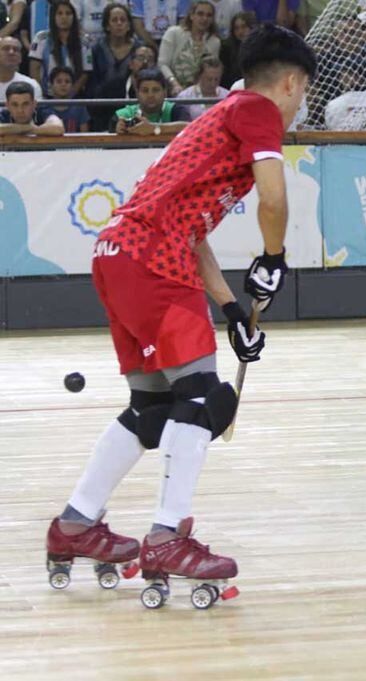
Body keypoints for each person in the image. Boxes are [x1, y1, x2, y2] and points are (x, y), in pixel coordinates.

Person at [45, 24, 316, 605]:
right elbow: (274, 197)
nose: (300, 106)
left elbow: (192, 234)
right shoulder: (258, 110)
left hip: (119, 253)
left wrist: (231, 309)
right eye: (304, 94)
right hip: (151, 262)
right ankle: (167, 535)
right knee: (205, 398)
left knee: (151, 409)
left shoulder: (219, 118)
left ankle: (75, 523)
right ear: (290, 83)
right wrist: (273, 257)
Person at [28, 0, 91, 96]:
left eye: (68, 13)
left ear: (74, 17)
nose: (64, 17)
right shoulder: (41, 39)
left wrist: (71, 94)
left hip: (75, 98)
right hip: (46, 96)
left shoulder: (84, 42)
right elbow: (34, 68)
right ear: (53, 16)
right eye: (60, 13)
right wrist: (40, 93)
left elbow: (85, 73)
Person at [158, 0, 220, 94]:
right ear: (191, 16)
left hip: (200, 93)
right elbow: (162, 64)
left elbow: (212, 71)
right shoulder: (174, 33)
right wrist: (174, 84)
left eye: (209, 15)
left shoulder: (215, 42)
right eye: (200, 14)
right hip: (172, 89)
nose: (204, 18)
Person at [111, 68, 190, 133]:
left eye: (156, 90)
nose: (150, 95)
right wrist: (117, 131)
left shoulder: (176, 110)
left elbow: (189, 128)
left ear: (165, 92)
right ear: (137, 93)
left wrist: (154, 128)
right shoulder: (123, 115)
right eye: (145, 91)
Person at [177, 55, 228, 119]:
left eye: (216, 79)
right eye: (209, 79)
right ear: (199, 76)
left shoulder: (227, 96)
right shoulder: (184, 97)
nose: (213, 84)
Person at [0, 35, 42, 103]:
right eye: (6, 48)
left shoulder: (31, 85)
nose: (11, 52)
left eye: (16, 50)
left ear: (20, 58)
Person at [218, 9, 254, 87]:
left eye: (243, 27)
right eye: (236, 28)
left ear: (251, 27)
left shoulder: (259, 48)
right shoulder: (226, 49)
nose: (240, 31)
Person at [47, 64, 89, 130]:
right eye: (59, 81)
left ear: (72, 85)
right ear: (51, 85)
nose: (63, 84)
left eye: (67, 81)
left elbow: (85, 136)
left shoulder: (80, 107)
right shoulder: (43, 108)